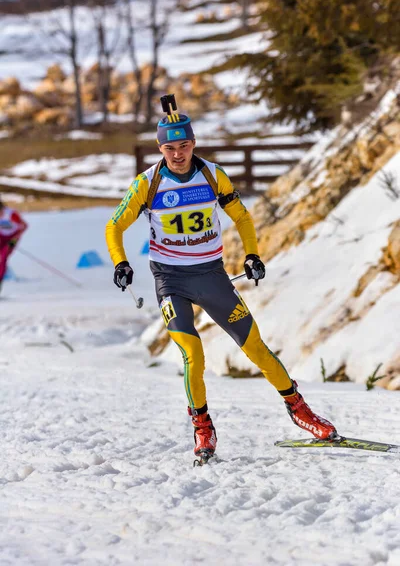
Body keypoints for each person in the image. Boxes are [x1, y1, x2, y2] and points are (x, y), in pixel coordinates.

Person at [105, 101, 337, 459]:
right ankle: (202, 427)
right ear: (160, 148)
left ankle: (299, 410)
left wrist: (252, 254)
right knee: (193, 354)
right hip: (170, 280)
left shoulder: (213, 176)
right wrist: (121, 263)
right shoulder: (147, 184)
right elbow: (114, 225)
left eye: (184, 146)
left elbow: (242, 218)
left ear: (194, 143)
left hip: (211, 276)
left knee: (255, 346)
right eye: (170, 148)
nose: (178, 154)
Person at [0, 196, 28, 293]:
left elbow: (24, 226)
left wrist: (14, 239)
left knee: (3, 259)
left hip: (12, 237)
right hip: (1, 237)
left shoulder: (11, 214)